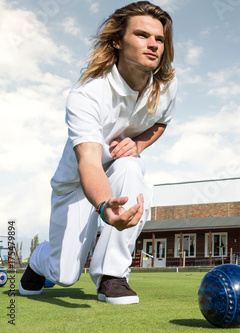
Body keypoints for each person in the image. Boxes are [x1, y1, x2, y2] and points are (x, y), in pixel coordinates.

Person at [19, 1, 177, 304]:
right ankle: (41, 259)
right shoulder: (87, 95)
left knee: (131, 166)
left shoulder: (166, 83)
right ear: (117, 41)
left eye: (159, 38)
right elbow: (90, 163)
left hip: (118, 168)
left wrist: (139, 144)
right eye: (143, 35)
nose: (154, 44)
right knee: (64, 275)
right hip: (78, 182)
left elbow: (161, 122)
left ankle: (112, 276)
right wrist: (106, 206)